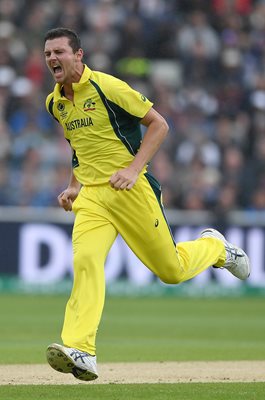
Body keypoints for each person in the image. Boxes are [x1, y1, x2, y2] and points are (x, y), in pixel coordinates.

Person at [44, 27, 250, 382]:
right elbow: (79, 144)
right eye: (48, 54)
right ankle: (81, 349)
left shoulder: (107, 87)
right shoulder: (55, 102)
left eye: (59, 52)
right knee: (85, 260)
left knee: (170, 271)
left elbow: (159, 125)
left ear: (79, 55)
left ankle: (215, 247)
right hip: (93, 197)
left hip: (130, 191)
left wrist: (133, 169)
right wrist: (74, 185)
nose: (52, 59)